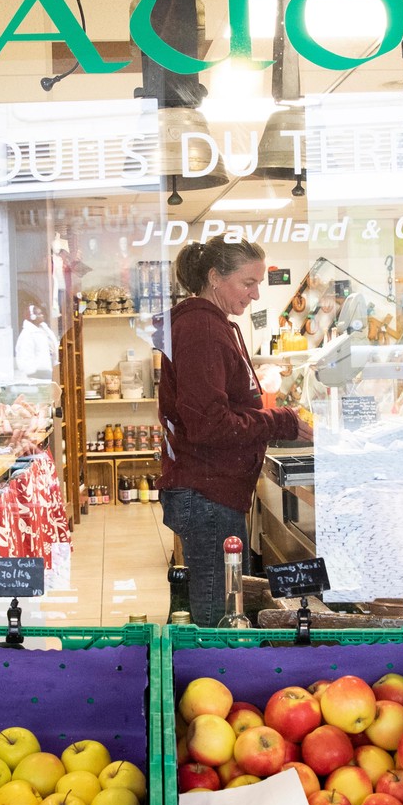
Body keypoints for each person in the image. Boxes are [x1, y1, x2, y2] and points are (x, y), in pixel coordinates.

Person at [159, 236, 308, 625]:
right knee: (217, 613)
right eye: (248, 283)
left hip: (213, 489)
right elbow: (210, 424)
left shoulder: (210, 325)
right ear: (214, 278)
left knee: (220, 601)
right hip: (208, 492)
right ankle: (210, 677)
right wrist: (284, 421)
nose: (256, 294)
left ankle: (210, 676)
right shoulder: (201, 330)